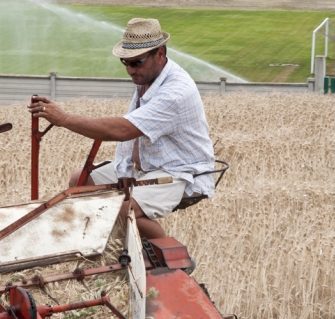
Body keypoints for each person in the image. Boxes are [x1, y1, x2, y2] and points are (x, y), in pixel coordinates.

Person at [28, 17, 215, 239]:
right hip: (145, 166)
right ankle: (110, 246)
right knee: (80, 181)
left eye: (137, 62)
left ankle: (172, 261)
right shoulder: (149, 76)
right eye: (125, 63)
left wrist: (64, 119)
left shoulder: (175, 92)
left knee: (124, 209)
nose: (130, 70)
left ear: (160, 54)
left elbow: (123, 130)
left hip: (179, 171)